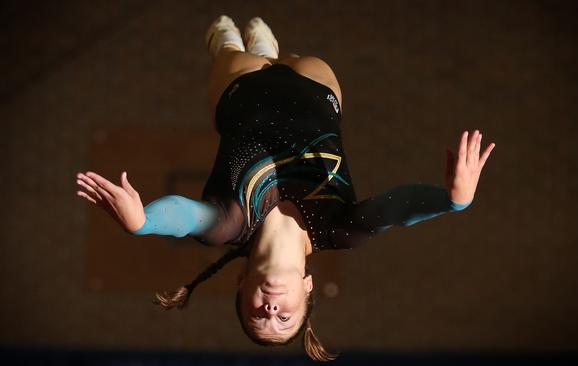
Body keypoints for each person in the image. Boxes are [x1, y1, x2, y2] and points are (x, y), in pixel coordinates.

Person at [75, 15, 495, 361]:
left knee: (231, 49)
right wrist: (453, 200)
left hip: (239, 88)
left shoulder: (228, 224)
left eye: (259, 315)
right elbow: (395, 209)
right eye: (284, 319)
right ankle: (269, 49)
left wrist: (142, 222)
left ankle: (229, 42)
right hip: (319, 87)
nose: (271, 310)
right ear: (308, 288)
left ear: (240, 283)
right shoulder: (339, 228)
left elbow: (184, 217)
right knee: (283, 55)